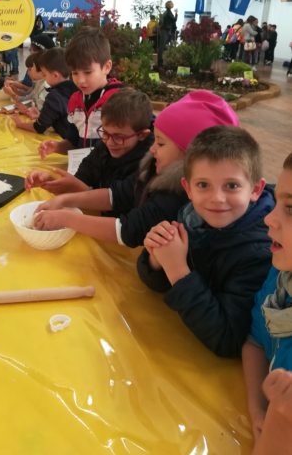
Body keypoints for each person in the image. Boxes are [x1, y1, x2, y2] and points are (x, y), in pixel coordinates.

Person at [33, 92, 239, 249]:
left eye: (160, 143)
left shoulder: (178, 194)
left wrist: (67, 218)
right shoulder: (156, 165)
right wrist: (66, 200)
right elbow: (119, 194)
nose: (152, 149)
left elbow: (130, 229)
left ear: (189, 154)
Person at [141, 126, 274, 357]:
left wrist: (177, 270)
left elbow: (229, 340)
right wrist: (156, 259)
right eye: (203, 185)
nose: (217, 199)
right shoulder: (191, 216)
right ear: (188, 188)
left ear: (255, 189)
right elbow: (154, 280)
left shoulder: (260, 252)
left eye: (232, 186)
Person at [242, 152, 292, 446]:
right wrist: (258, 408)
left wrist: (280, 422)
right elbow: (255, 341)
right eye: (277, 202)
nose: (268, 218)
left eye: (291, 209)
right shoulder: (281, 278)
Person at [25, 88, 153, 194]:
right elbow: (80, 180)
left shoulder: (148, 166)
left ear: (142, 135)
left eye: (118, 137)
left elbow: (117, 205)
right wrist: (50, 180)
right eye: (105, 132)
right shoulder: (103, 147)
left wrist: (82, 190)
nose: (109, 142)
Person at [38, 26, 122, 159]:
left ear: (106, 67)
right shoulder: (75, 100)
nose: (80, 80)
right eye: (75, 73)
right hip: (83, 168)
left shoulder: (120, 100)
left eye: (87, 72)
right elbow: (73, 141)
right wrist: (57, 147)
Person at [11, 47, 76, 138]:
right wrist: (41, 115)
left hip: (65, 139)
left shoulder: (54, 96)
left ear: (55, 75)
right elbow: (60, 115)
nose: (43, 78)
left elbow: (39, 128)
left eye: (45, 75)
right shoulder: (74, 88)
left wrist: (19, 124)